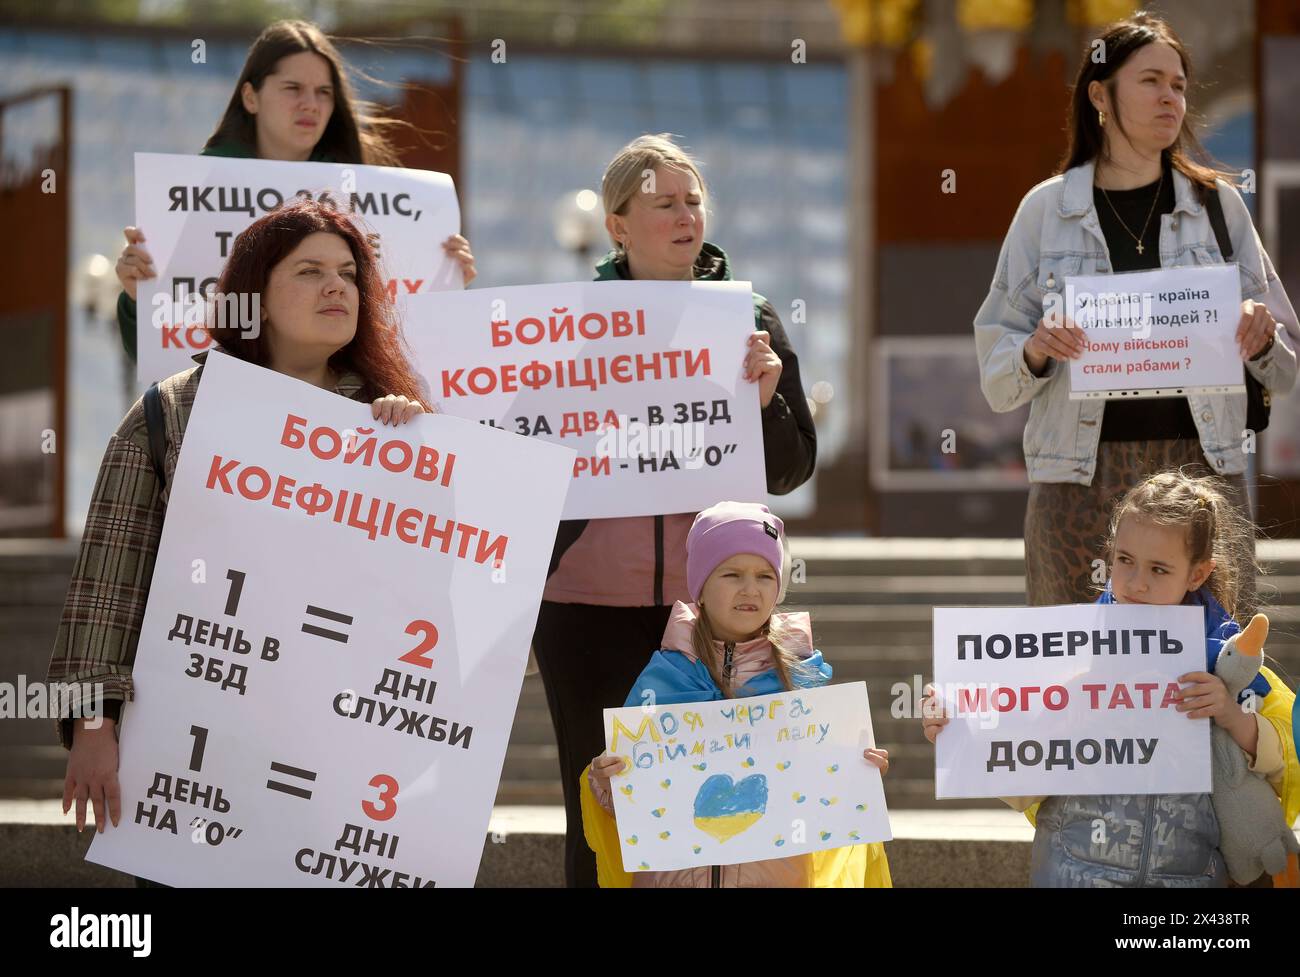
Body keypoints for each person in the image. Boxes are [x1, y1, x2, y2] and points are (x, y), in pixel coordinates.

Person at [50, 199, 431, 841]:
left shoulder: (399, 428)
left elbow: (439, 594)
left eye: (347, 272)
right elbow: (108, 585)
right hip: (191, 744)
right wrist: (93, 724)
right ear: (254, 294)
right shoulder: (171, 413)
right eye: (309, 271)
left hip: (340, 752)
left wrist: (420, 457)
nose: (337, 285)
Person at [532, 134, 818, 886]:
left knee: (707, 826)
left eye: (693, 201)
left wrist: (765, 403)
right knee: (601, 809)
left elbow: (792, 468)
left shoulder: (749, 314)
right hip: (585, 605)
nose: (685, 215)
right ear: (619, 225)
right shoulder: (567, 323)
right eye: (664, 203)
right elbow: (524, 460)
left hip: (713, 611)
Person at [972, 12, 1299, 611]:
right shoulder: (1045, 212)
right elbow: (997, 376)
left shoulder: (1219, 207)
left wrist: (1261, 333)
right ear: (1100, 94)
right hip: (1076, 485)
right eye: (1150, 80)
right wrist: (1037, 349)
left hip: (1202, 484)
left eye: (1178, 84)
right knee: (1077, 679)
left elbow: (1287, 366)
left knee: (1212, 677)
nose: (1170, 97)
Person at [923, 471, 1298, 887]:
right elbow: (1021, 783)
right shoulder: (1065, 654)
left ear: (1197, 574)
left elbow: (1288, 769)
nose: (1137, 584)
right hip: (1072, 875)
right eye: (1125, 560)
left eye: (1159, 569)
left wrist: (1232, 716)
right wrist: (961, 731)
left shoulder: (1235, 663)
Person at [114, 19, 475, 362]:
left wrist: (445, 283)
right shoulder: (190, 197)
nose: (310, 104)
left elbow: (397, 333)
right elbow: (158, 356)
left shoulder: (374, 197)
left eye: (323, 93)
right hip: (222, 404)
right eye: (293, 88)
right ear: (250, 97)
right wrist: (138, 298)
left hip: (329, 411)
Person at [583, 501, 891, 887]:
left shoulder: (802, 676)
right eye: (732, 574)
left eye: (765, 576)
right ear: (700, 586)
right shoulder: (663, 675)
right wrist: (608, 781)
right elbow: (630, 805)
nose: (750, 589)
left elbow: (826, 795)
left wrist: (857, 772)